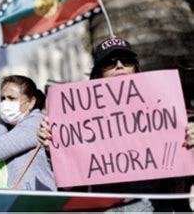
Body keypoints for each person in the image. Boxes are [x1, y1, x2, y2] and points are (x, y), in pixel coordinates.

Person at [38, 35, 194, 211]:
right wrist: (55, 149)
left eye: (126, 61)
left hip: (158, 205)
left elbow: (184, 172)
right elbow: (69, 185)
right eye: (110, 62)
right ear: (98, 74)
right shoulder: (80, 121)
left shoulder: (163, 108)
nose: (119, 65)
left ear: (135, 68)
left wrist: (190, 143)